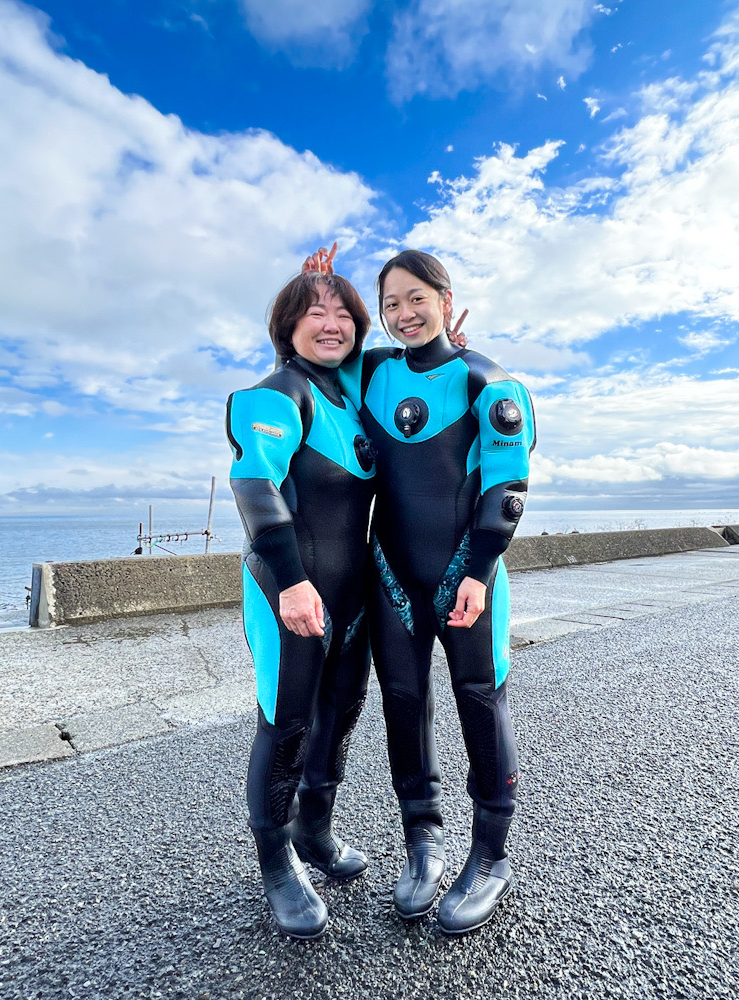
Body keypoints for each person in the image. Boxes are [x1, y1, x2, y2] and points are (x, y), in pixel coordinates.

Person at [338, 248, 536, 934]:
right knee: (403, 702)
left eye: (416, 297)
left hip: (468, 577)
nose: (403, 313)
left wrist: (479, 573)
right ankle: (422, 841)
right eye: (390, 303)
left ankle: (490, 855)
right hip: (391, 576)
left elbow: (507, 491)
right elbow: (312, 348)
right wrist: (313, 286)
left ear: (445, 300)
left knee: (479, 702)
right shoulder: (371, 372)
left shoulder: (488, 382)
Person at [225, 265, 375, 939]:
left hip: (351, 592)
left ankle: (314, 833)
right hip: (286, 587)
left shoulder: (347, 399)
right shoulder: (273, 394)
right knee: (286, 728)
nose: (330, 322)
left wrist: (445, 347)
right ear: (286, 327)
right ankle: (276, 863)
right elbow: (256, 487)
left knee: (339, 717)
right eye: (313, 311)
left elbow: (407, 365)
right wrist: (290, 581)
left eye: (342, 312)